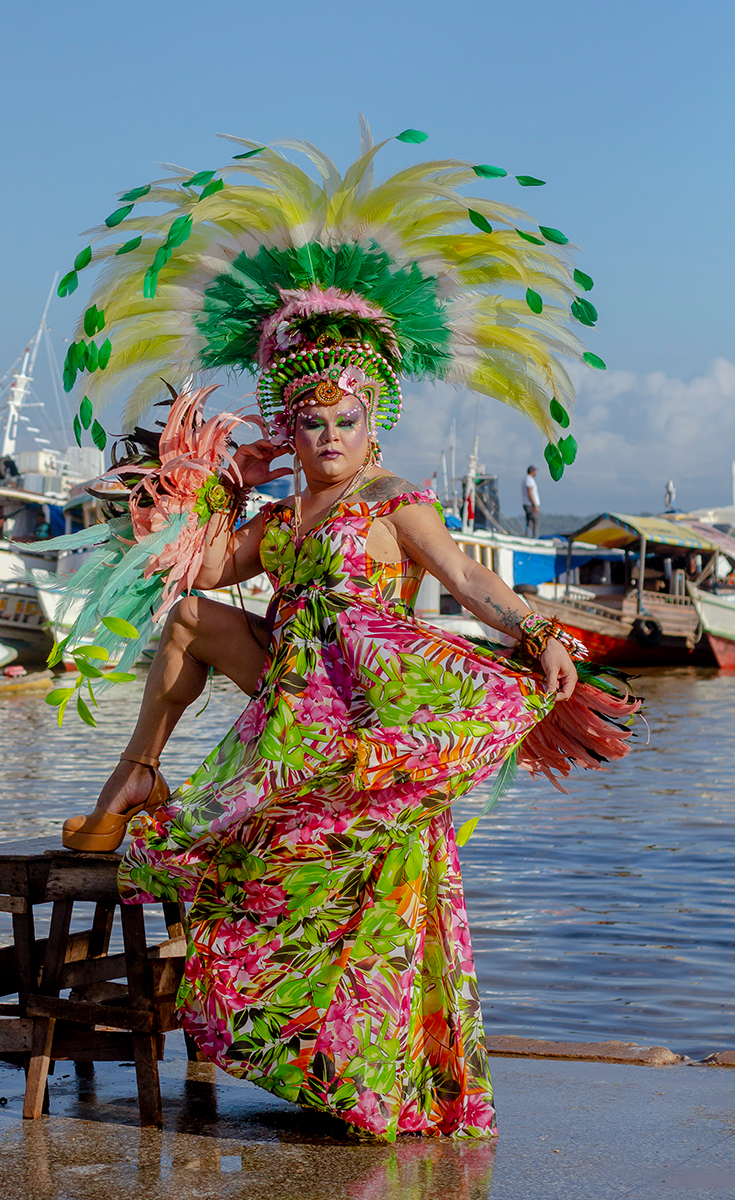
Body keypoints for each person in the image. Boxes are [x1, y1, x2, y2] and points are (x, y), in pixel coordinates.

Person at [46, 130, 639, 1141]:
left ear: (374, 428)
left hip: (369, 718)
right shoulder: (279, 524)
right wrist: (207, 489)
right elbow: (197, 573)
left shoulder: (395, 504)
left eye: (346, 420)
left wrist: (538, 626)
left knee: (348, 906)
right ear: (290, 427)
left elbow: (466, 581)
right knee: (192, 620)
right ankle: (136, 774)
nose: (326, 436)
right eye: (309, 421)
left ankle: (365, 1081)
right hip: (289, 703)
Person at [522, 465, 540, 538]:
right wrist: (534, 505)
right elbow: (530, 493)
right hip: (530, 504)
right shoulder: (529, 479)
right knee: (536, 521)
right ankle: (535, 537)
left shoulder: (527, 479)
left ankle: (528, 537)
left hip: (528, 504)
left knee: (530, 522)